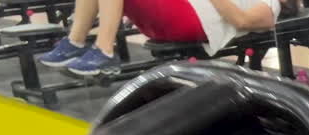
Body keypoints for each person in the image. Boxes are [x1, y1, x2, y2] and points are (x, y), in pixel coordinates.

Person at [37, 0, 294, 76]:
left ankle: (104, 50)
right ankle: (75, 42)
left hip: (189, 22)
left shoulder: (271, 5)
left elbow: (242, 21)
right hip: (178, 14)